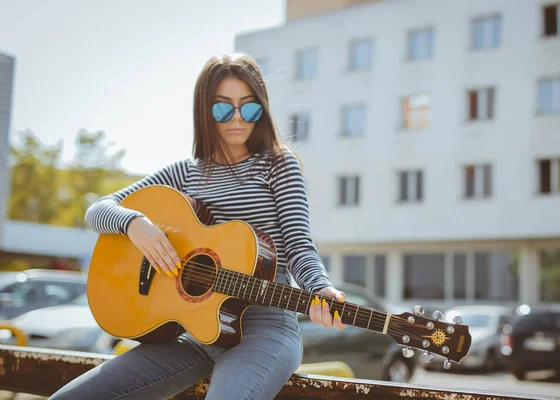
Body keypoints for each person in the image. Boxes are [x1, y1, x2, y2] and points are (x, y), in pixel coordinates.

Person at [49, 52, 345, 400]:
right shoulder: (184, 173)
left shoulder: (279, 165)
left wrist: (320, 288)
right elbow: (98, 210)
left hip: (264, 329)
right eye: (223, 108)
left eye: (248, 107)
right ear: (205, 110)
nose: (237, 119)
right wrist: (135, 224)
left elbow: (298, 246)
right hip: (194, 333)